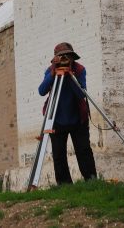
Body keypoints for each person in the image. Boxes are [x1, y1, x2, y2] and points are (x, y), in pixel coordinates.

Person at [38, 42, 97, 185]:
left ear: (72, 57)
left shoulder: (80, 69)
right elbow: (42, 91)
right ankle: (64, 185)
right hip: (56, 118)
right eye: (61, 57)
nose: (65, 59)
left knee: (84, 150)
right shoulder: (51, 70)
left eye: (68, 56)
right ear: (56, 58)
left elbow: (81, 93)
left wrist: (70, 75)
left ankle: (91, 181)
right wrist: (53, 73)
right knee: (58, 154)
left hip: (78, 118)